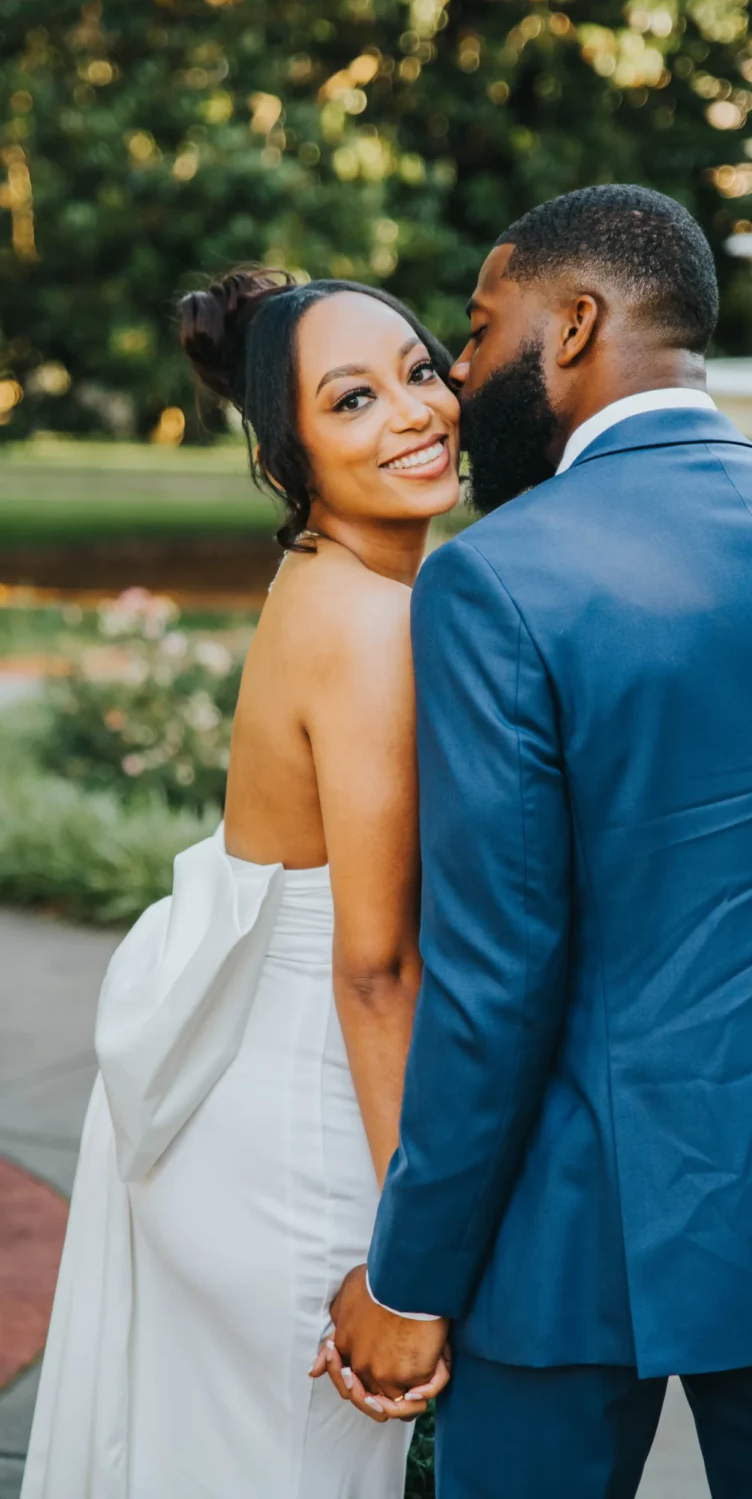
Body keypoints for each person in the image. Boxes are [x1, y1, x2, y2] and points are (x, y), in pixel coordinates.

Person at [324, 186, 752, 1499]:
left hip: (572, 1242)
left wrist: (411, 1273)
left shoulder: (500, 575)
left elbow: (493, 983)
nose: (459, 366)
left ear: (570, 327)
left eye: (480, 324)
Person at [22, 269, 455, 1498]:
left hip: (254, 1098)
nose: (414, 413)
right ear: (287, 454)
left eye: (420, 372)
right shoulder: (369, 628)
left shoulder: (333, 586)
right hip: (310, 1139)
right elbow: (374, 969)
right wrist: (408, 1262)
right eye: (354, 399)